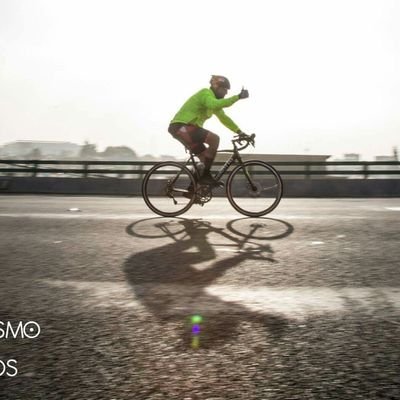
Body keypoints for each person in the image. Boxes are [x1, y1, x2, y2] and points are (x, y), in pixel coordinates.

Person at [168, 75, 249, 186]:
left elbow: (224, 118)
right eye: (224, 89)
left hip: (187, 129)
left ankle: (192, 191)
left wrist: (240, 132)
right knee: (214, 139)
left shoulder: (213, 101)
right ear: (216, 86)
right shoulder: (205, 93)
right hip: (181, 126)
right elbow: (214, 104)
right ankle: (206, 176)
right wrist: (238, 97)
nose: (226, 93)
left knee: (204, 160)